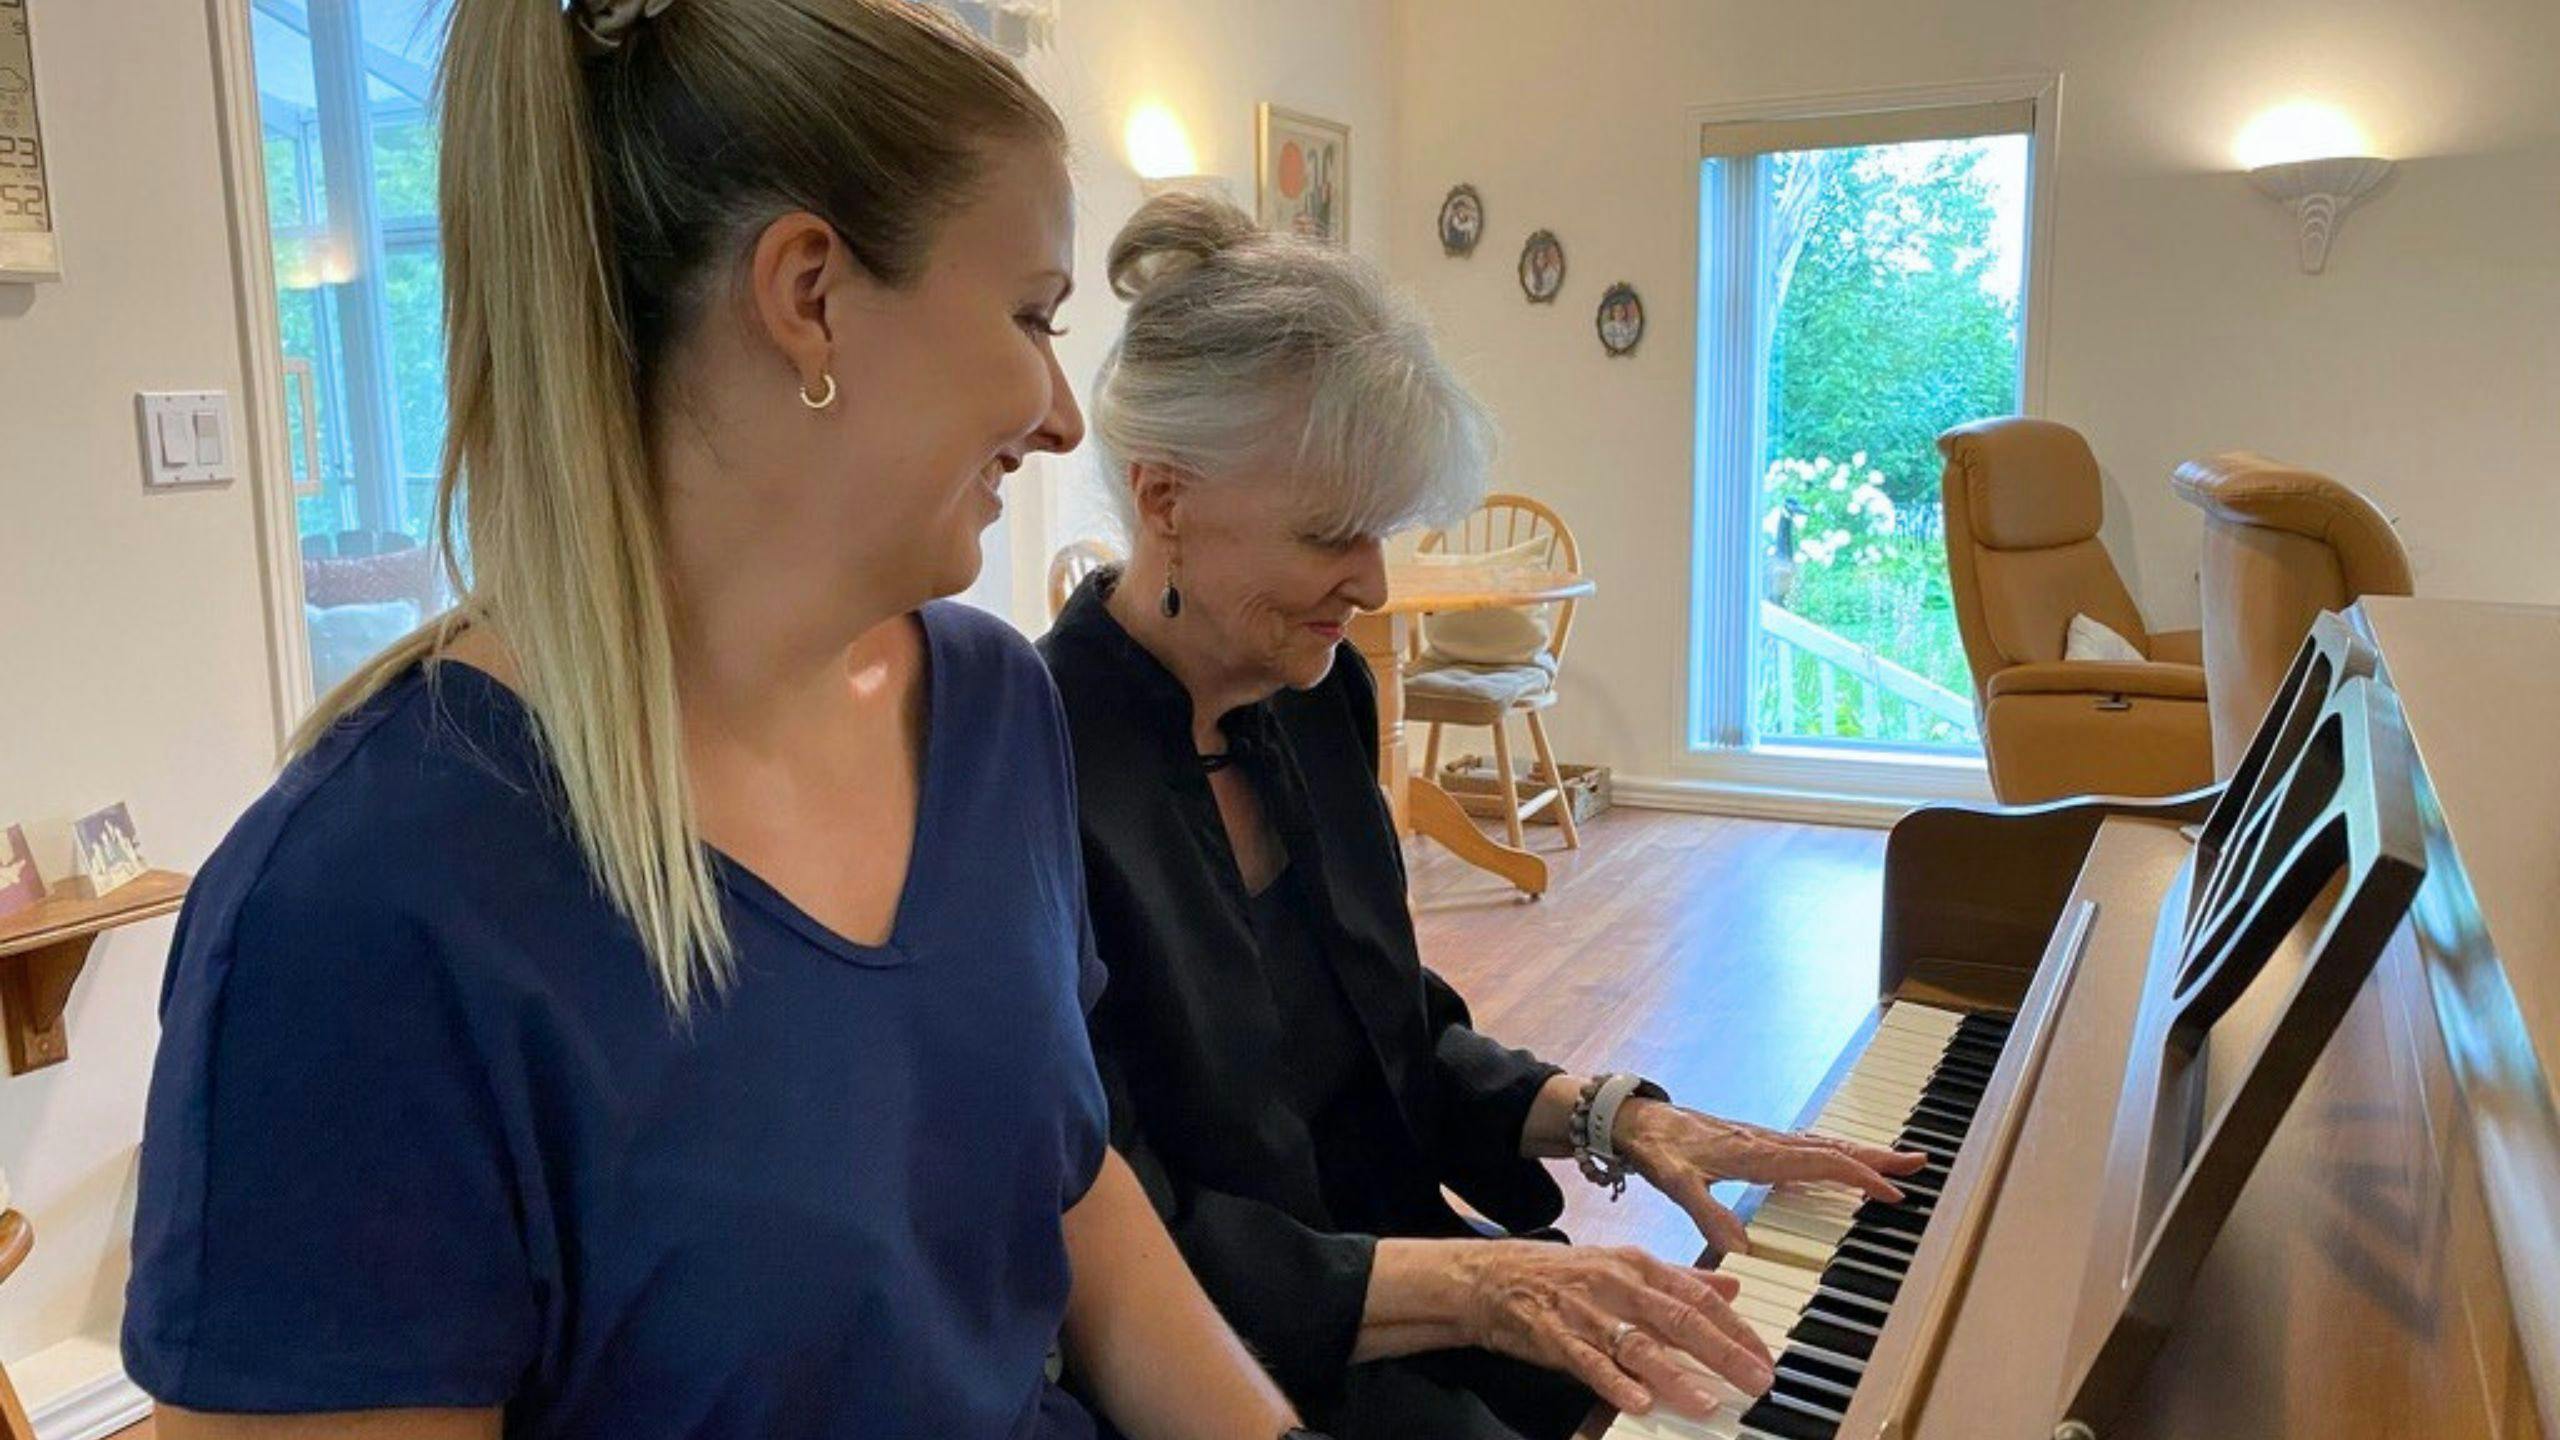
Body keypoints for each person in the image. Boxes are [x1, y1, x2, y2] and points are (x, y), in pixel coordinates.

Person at [122, 5, 1310, 1437]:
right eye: (1031, 318)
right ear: (808, 292)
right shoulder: (360, 908)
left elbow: (1067, 1196)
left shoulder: (997, 713)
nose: (1064, 416)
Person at [1039, 193, 1927, 1440]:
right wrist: (1491, 1285)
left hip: (1416, 1292)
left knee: (1753, 1372)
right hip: (1232, 1372)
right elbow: (1121, 1242)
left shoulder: (1315, 698)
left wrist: (1621, 1116)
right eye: (1330, 536)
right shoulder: (1034, 767)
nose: (1376, 584)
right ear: (1165, 497)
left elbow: (1395, 1040)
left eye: (1384, 531)